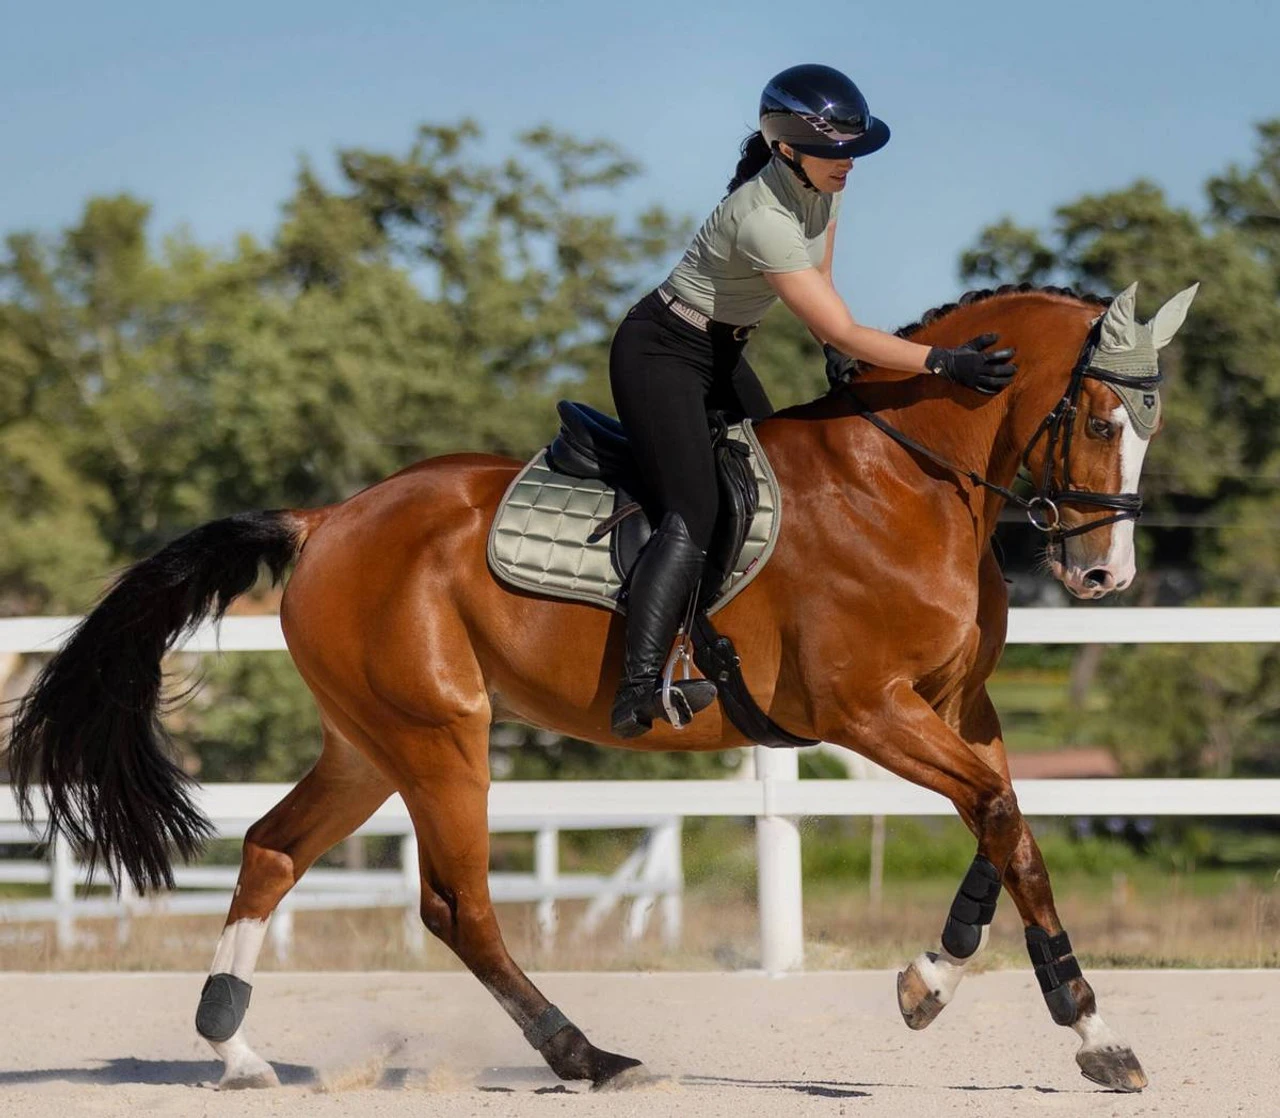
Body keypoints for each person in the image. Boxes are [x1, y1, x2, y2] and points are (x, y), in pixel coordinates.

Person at [608, 62, 1017, 738]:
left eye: (852, 151)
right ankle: (641, 683)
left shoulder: (821, 186)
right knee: (697, 507)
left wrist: (841, 349)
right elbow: (837, 326)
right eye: (833, 152)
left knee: (775, 487)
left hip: (717, 350)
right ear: (786, 148)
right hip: (660, 354)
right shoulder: (760, 217)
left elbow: (823, 284)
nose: (847, 164)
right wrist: (943, 362)